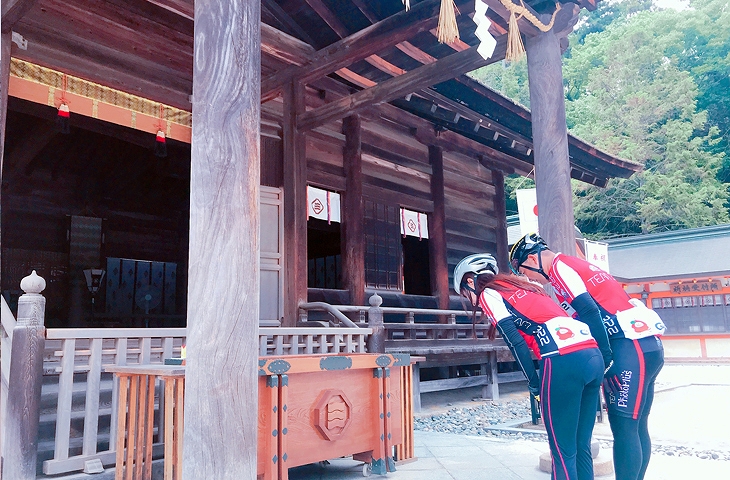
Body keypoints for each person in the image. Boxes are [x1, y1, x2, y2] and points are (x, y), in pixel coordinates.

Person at [509, 233, 665, 480]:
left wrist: (606, 357)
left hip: (625, 346)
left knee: (624, 429)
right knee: (636, 427)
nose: (528, 278)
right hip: (647, 344)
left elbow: (589, 310)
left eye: (524, 271)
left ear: (532, 258)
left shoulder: (560, 267)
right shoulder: (577, 265)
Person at [454, 253, 607, 480]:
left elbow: (515, 341)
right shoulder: (526, 285)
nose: (470, 300)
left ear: (470, 281)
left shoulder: (488, 293)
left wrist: (534, 385)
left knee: (562, 451)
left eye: (466, 294)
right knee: (580, 445)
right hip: (592, 354)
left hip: (562, 358)